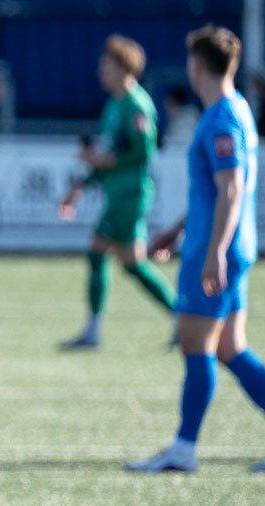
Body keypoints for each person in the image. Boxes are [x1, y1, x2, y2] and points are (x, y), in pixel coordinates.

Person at [126, 25, 265, 475]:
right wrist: (174, 230)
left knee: (197, 347)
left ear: (197, 66)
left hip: (217, 250)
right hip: (230, 244)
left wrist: (213, 252)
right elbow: (216, 191)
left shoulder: (221, 119)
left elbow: (231, 190)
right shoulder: (239, 110)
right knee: (230, 346)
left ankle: (184, 449)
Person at [57, 35, 173, 350]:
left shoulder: (137, 104)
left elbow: (144, 152)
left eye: (107, 67)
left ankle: (93, 332)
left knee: (97, 250)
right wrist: (81, 186)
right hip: (117, 191)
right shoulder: (113, 105)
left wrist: (106, 160)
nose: (102, 73)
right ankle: (181, 319)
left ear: (126, 68)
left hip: (130, 194)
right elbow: (108, 154)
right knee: (133, 263)